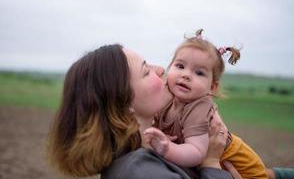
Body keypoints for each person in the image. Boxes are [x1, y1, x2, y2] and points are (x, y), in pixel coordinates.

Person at [47, 44, 239, 178]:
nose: (162, 70)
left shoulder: (159, 149)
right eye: (146, 71)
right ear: (124, 103)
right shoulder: (139, 172)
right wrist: (212, 165)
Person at [144, 29, 268, 178]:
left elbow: (196, 152)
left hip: (244, 169)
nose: (186, 75)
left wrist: (168, 148)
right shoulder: (168, 96)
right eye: (180, 66)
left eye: (199, 73)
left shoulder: (198, 107)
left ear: (212, 87)